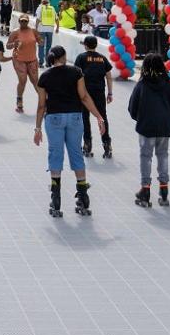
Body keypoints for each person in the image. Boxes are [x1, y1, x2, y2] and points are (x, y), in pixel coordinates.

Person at [34, 46, 106, 218]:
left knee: (55, 154)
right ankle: (83, 196)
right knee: (76, 154)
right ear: (64, 57)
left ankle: (56, 197)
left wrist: (37, 128)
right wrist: (99, 117)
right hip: (74, 117)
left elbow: (42, 105)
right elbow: (84, 97)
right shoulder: (76, 72)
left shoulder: (44, 77)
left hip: (54, 118)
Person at [128, 53, 170, 207]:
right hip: (165, 126)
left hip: (147, 126)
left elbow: (132, 107)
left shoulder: (142, 85)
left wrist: (140, 118)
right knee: (162, 155)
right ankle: (164, 189)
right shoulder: (167, 85)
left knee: (146, 157)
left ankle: (145, 190)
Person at [74, 36, 114, 158]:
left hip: (85, 93)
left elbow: (76, 75)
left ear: (85, 45)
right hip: (99, 92)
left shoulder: (81, 57)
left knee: (85, 118)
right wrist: (110, 93)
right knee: (102, 117)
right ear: (96, 45)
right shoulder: (102, 58)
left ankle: (87, 144)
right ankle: (106, 143)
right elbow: (108, 76)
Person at [6, 14, 43, 114]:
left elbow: (40, 41)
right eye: (22, 21)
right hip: (19, 59)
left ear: (28, 21)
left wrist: (40, 41)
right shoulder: (15, 32)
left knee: (36, 81)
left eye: (25, 21)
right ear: (19, 21)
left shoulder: (33, 31)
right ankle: (19, 100)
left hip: (32, 60)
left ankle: (44, 102)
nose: (23, 23)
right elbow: (7, 46)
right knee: (23, 80)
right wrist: (14, 44)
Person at [34, 0, 58, 67]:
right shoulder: (52, 8)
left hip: (41, 30)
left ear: (42, 2)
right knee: (48, 46)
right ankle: (48, 62)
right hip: (50, 30)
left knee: (41, 46)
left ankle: (41, 62)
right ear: (48, 2)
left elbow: (38, 19)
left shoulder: (40, 8)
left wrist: (36, 28)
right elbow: (56, 19)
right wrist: (57, 28)